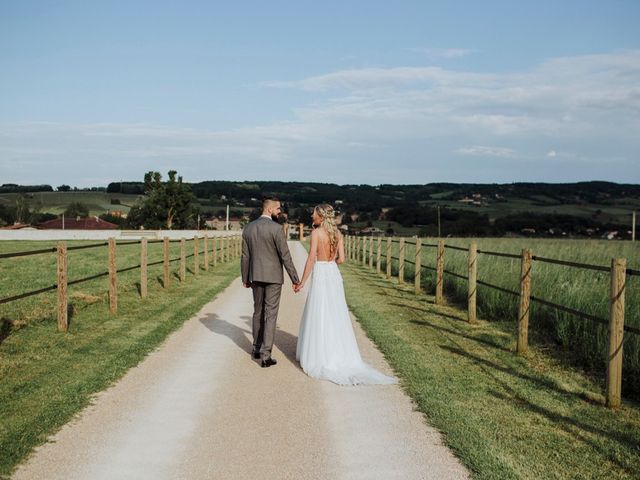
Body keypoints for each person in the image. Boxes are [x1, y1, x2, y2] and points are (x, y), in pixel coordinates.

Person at [294, 204, 396, 385]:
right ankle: (339, 352)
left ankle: (320, 355)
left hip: (321, 272)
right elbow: (342, 259)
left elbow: (311, 258)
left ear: (322, 217)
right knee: (335, 312)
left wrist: (302, 281)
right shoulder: (338, 234)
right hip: (333, 272)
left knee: (320, 311)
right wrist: (330, 265)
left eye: (314, 214)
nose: (312, 217)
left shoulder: (317, 233)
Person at [242, 196, 300, 368]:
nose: (280, 211)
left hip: (256, 276)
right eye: (278, 209)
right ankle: (266, 356)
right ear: (269, 209)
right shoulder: (276, 229)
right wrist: (295, 279)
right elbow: (285, 256)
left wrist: (245, 277)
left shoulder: (248, 228)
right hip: (274, 277)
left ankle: (256, 348)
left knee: (257, 312)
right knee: (271, 314)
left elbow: (245, 256)